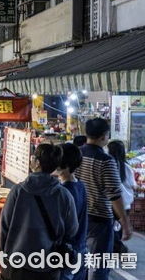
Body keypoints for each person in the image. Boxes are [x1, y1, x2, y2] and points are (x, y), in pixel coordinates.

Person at [0, 143, 78, 280]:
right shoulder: (64, 195)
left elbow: (4, 227)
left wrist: (2, 258)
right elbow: (72, 230)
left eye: (33, 157)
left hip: (17, 265)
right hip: (49, 266)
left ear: (37, 162)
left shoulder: (18, 191)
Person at [75, 118, 132, 280]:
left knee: (80, 259)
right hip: (100, 218)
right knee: (99, 264)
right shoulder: (106, 161)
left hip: (78, 215)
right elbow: (114, 194)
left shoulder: (76, 154)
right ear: (103, 136)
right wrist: (124, 221)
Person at [57, 143, 88, 280]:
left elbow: (63, 226)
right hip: (80, 247)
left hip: (68, 252)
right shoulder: (80, 185)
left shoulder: (64, 192)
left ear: (65, 165)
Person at [107, 140, 137, 253]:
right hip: (125, 203)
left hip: (112, 202)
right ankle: (117, 245)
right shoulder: (127, 167)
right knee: (119, 225)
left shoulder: (109, 165)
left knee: (110, 225)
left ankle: (116, 246)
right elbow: (132, 185)